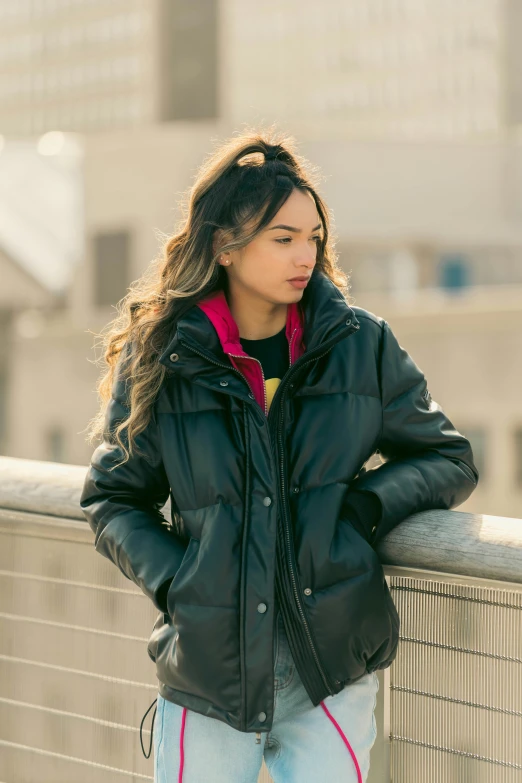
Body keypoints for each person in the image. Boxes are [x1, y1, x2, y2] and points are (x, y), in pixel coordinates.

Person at [79, 130, 479, 783]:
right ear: (225, 247)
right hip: (210, 672)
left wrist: (365, 507)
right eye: (283, 237)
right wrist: (179, 583)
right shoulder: (165, 354)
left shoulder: (361, 344)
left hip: (331, 668)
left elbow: (447, 456)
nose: (306, 254)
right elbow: (113, 497)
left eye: (313, 237)